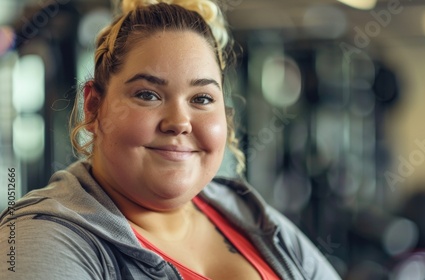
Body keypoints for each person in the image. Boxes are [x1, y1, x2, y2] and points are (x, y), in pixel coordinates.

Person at [0, 0, 340, 279]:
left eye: (202, 99)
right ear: (93, 106)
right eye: (148, 94)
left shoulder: (247, 213)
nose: (179, 123)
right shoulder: (42, 238)